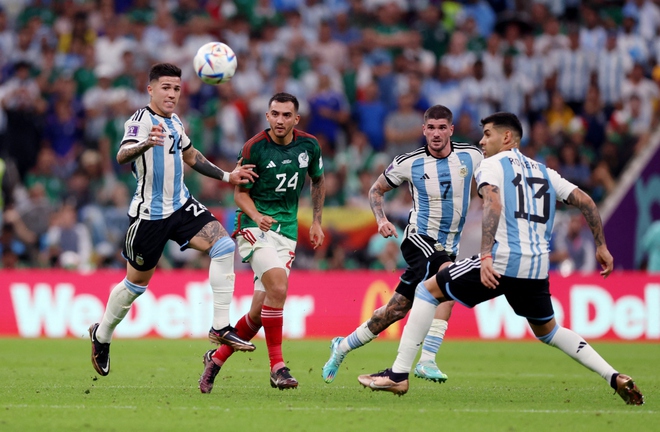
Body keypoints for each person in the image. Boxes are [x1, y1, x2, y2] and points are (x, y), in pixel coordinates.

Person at [357, 112, 645, 406]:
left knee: (426, 290)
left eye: (488, 135)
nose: (481, 141)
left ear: (507, 138)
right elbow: (585, 200)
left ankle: (398, 375)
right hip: (535, 268)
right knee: (549, 331)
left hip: (503, 260)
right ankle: (613, 376)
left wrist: (484, 255)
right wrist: (601, 246)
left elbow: (492, 202)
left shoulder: (492, 165)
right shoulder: (543, 170)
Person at [88, 63, 258, 377]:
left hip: (181, 206)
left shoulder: (175, 122)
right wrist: (144, 144)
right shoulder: (140, 120)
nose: (172, 94)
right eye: (165, 87)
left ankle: (220, 327)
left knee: (222, 244)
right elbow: (122, 154)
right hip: (148, 217)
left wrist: (228, 175)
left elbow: (191, 155)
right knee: (135, 285)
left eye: (176, 88)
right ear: (150, 89)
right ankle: (101, 335)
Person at [322, 105, 483, 384]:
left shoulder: (472, 156)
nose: (436, 133)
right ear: (423, 130)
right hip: (418, 239)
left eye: (442, 127)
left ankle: (342, 346)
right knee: (448, 277)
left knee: (394, 311)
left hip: (448, 245)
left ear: (451, 130)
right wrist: (381, 219)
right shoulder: (409, 162)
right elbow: (376, 189)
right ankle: (427, 360)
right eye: (431, 128)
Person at [199, 92, 326, 392]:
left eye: (286, 115)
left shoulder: (309, 146)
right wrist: (256, 217)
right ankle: (277, 368)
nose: (279, 120)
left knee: (259, 311)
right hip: (253, 227)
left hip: (287, 231)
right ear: (267, 116)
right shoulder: (254, 148)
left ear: (296, 119)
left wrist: (317, 221)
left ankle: (214, 361)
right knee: (279, 287)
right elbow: (239, 194)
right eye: (274, 114)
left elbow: (318, 180)